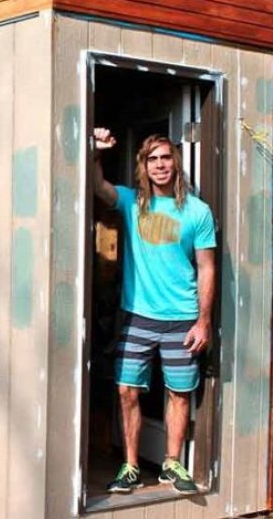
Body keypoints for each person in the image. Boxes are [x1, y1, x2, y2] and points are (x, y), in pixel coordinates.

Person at [93, 127, 216, 496]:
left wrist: (204, 321)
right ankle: (130, 466)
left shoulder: (197, 211)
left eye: (166, 157)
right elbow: (98, 187)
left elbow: (207, 267)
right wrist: (95, 151)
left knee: (179, 393)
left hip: (182, 319)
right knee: (127, 390)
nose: (160, 165)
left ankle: (171, 463)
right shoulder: (133, 202)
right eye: (153, 159)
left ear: (175, 163)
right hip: (137, 317)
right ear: (143, 167)